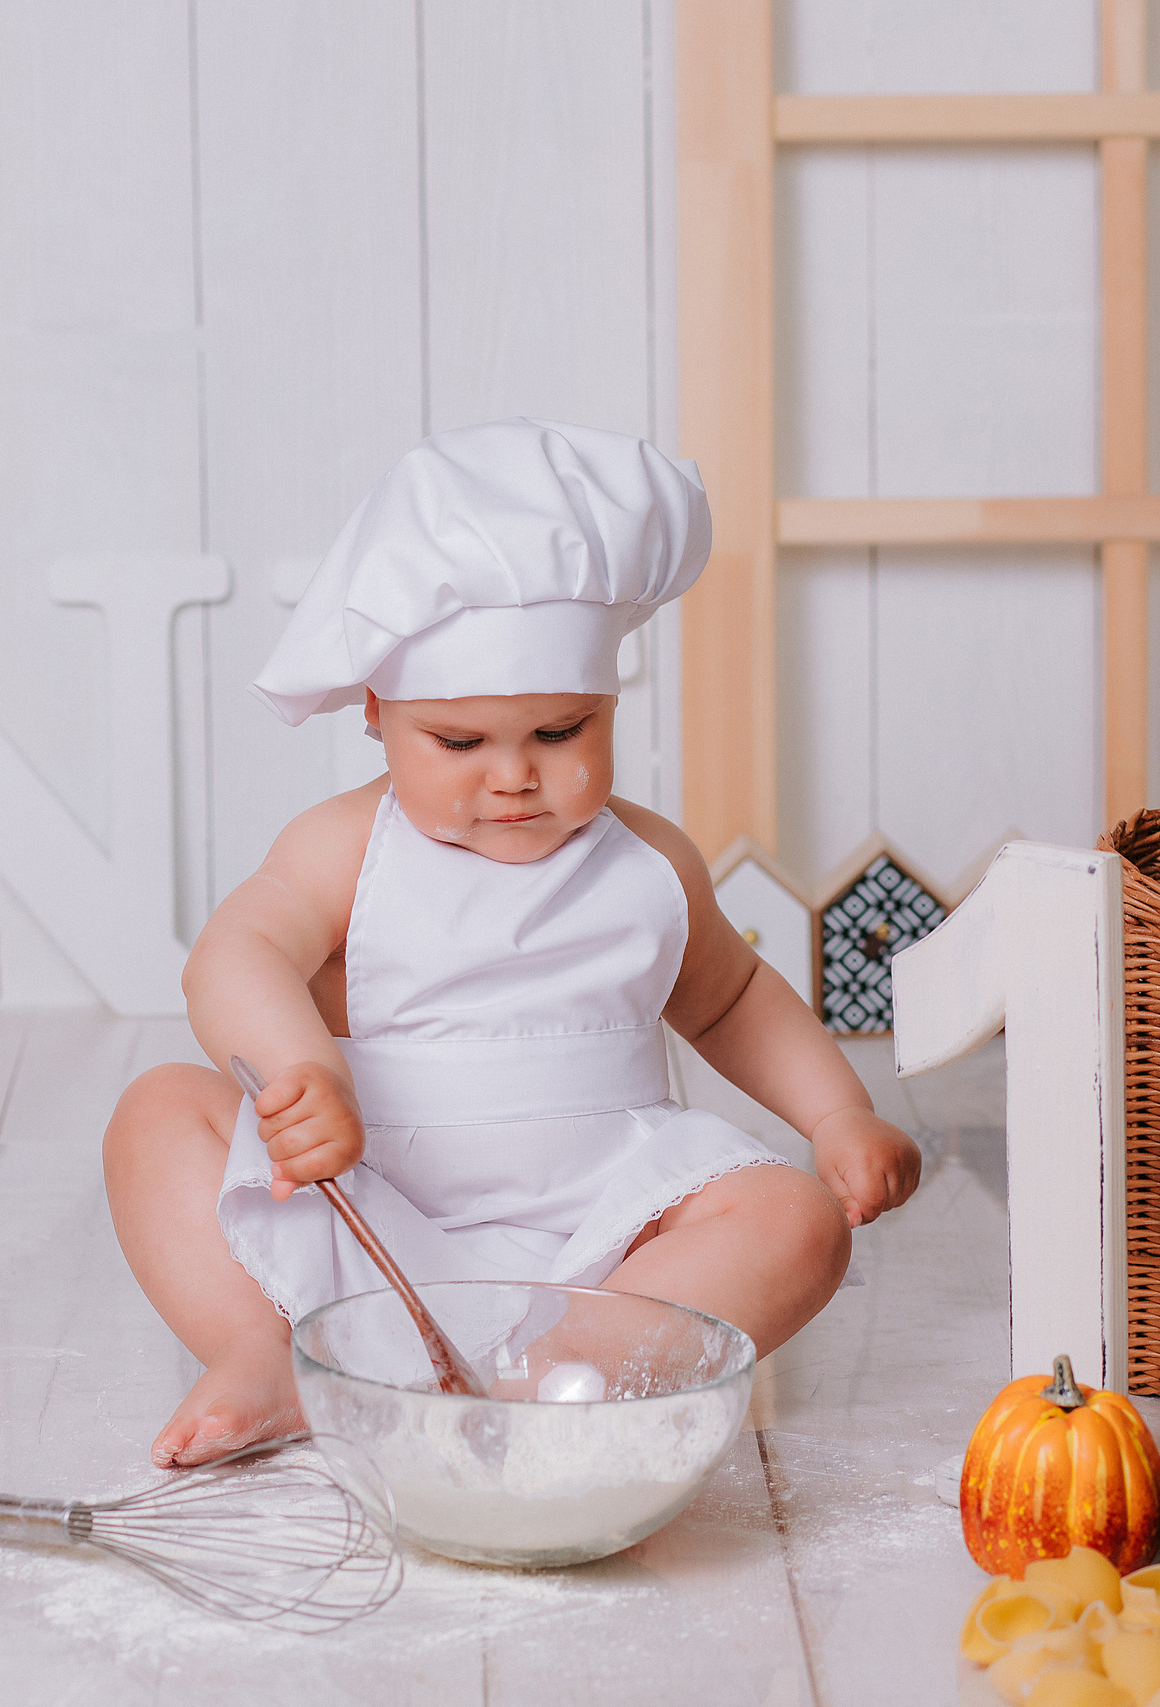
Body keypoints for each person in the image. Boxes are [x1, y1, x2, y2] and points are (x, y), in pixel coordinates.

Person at [103, 418, 922, 1468]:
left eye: (558, 733)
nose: (512, 776)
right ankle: (271, 1355)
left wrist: (837, 1113)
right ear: (375, 713)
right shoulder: (345, 846)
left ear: (608, 707)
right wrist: (302, 1070)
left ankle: (559, 1377)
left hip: (605, 1232)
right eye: (458, 743)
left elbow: (729, 1000)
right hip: (370, 1211)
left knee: (797, 1223)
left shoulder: (647, 865)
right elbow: (232, 954)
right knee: (158, 1113)